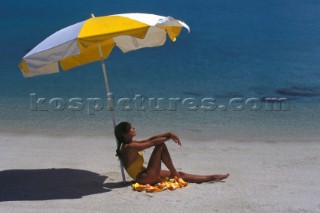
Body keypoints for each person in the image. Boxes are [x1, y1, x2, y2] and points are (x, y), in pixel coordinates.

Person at [114, 121, 229, 185]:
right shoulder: (129, 147)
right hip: (144, 178)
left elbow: (150, 139)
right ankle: (174, 173)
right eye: (130, 128)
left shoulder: (130, 144)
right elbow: (153, 143)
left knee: (181, 174)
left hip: (146, 174)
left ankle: (212, 177)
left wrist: (168, 133)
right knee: (160, 145)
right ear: (125, 134)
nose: (133, 128)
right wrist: (169, 137)